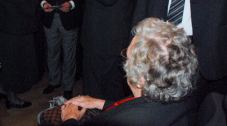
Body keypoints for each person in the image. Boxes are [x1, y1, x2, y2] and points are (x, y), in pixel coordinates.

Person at [61, 18, 198, 126]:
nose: (125, 60)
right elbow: (137, 104)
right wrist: (99, 103)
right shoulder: (185, 101)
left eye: (127, 55)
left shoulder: (118, 122)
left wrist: (69, 120)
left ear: (140, 80)